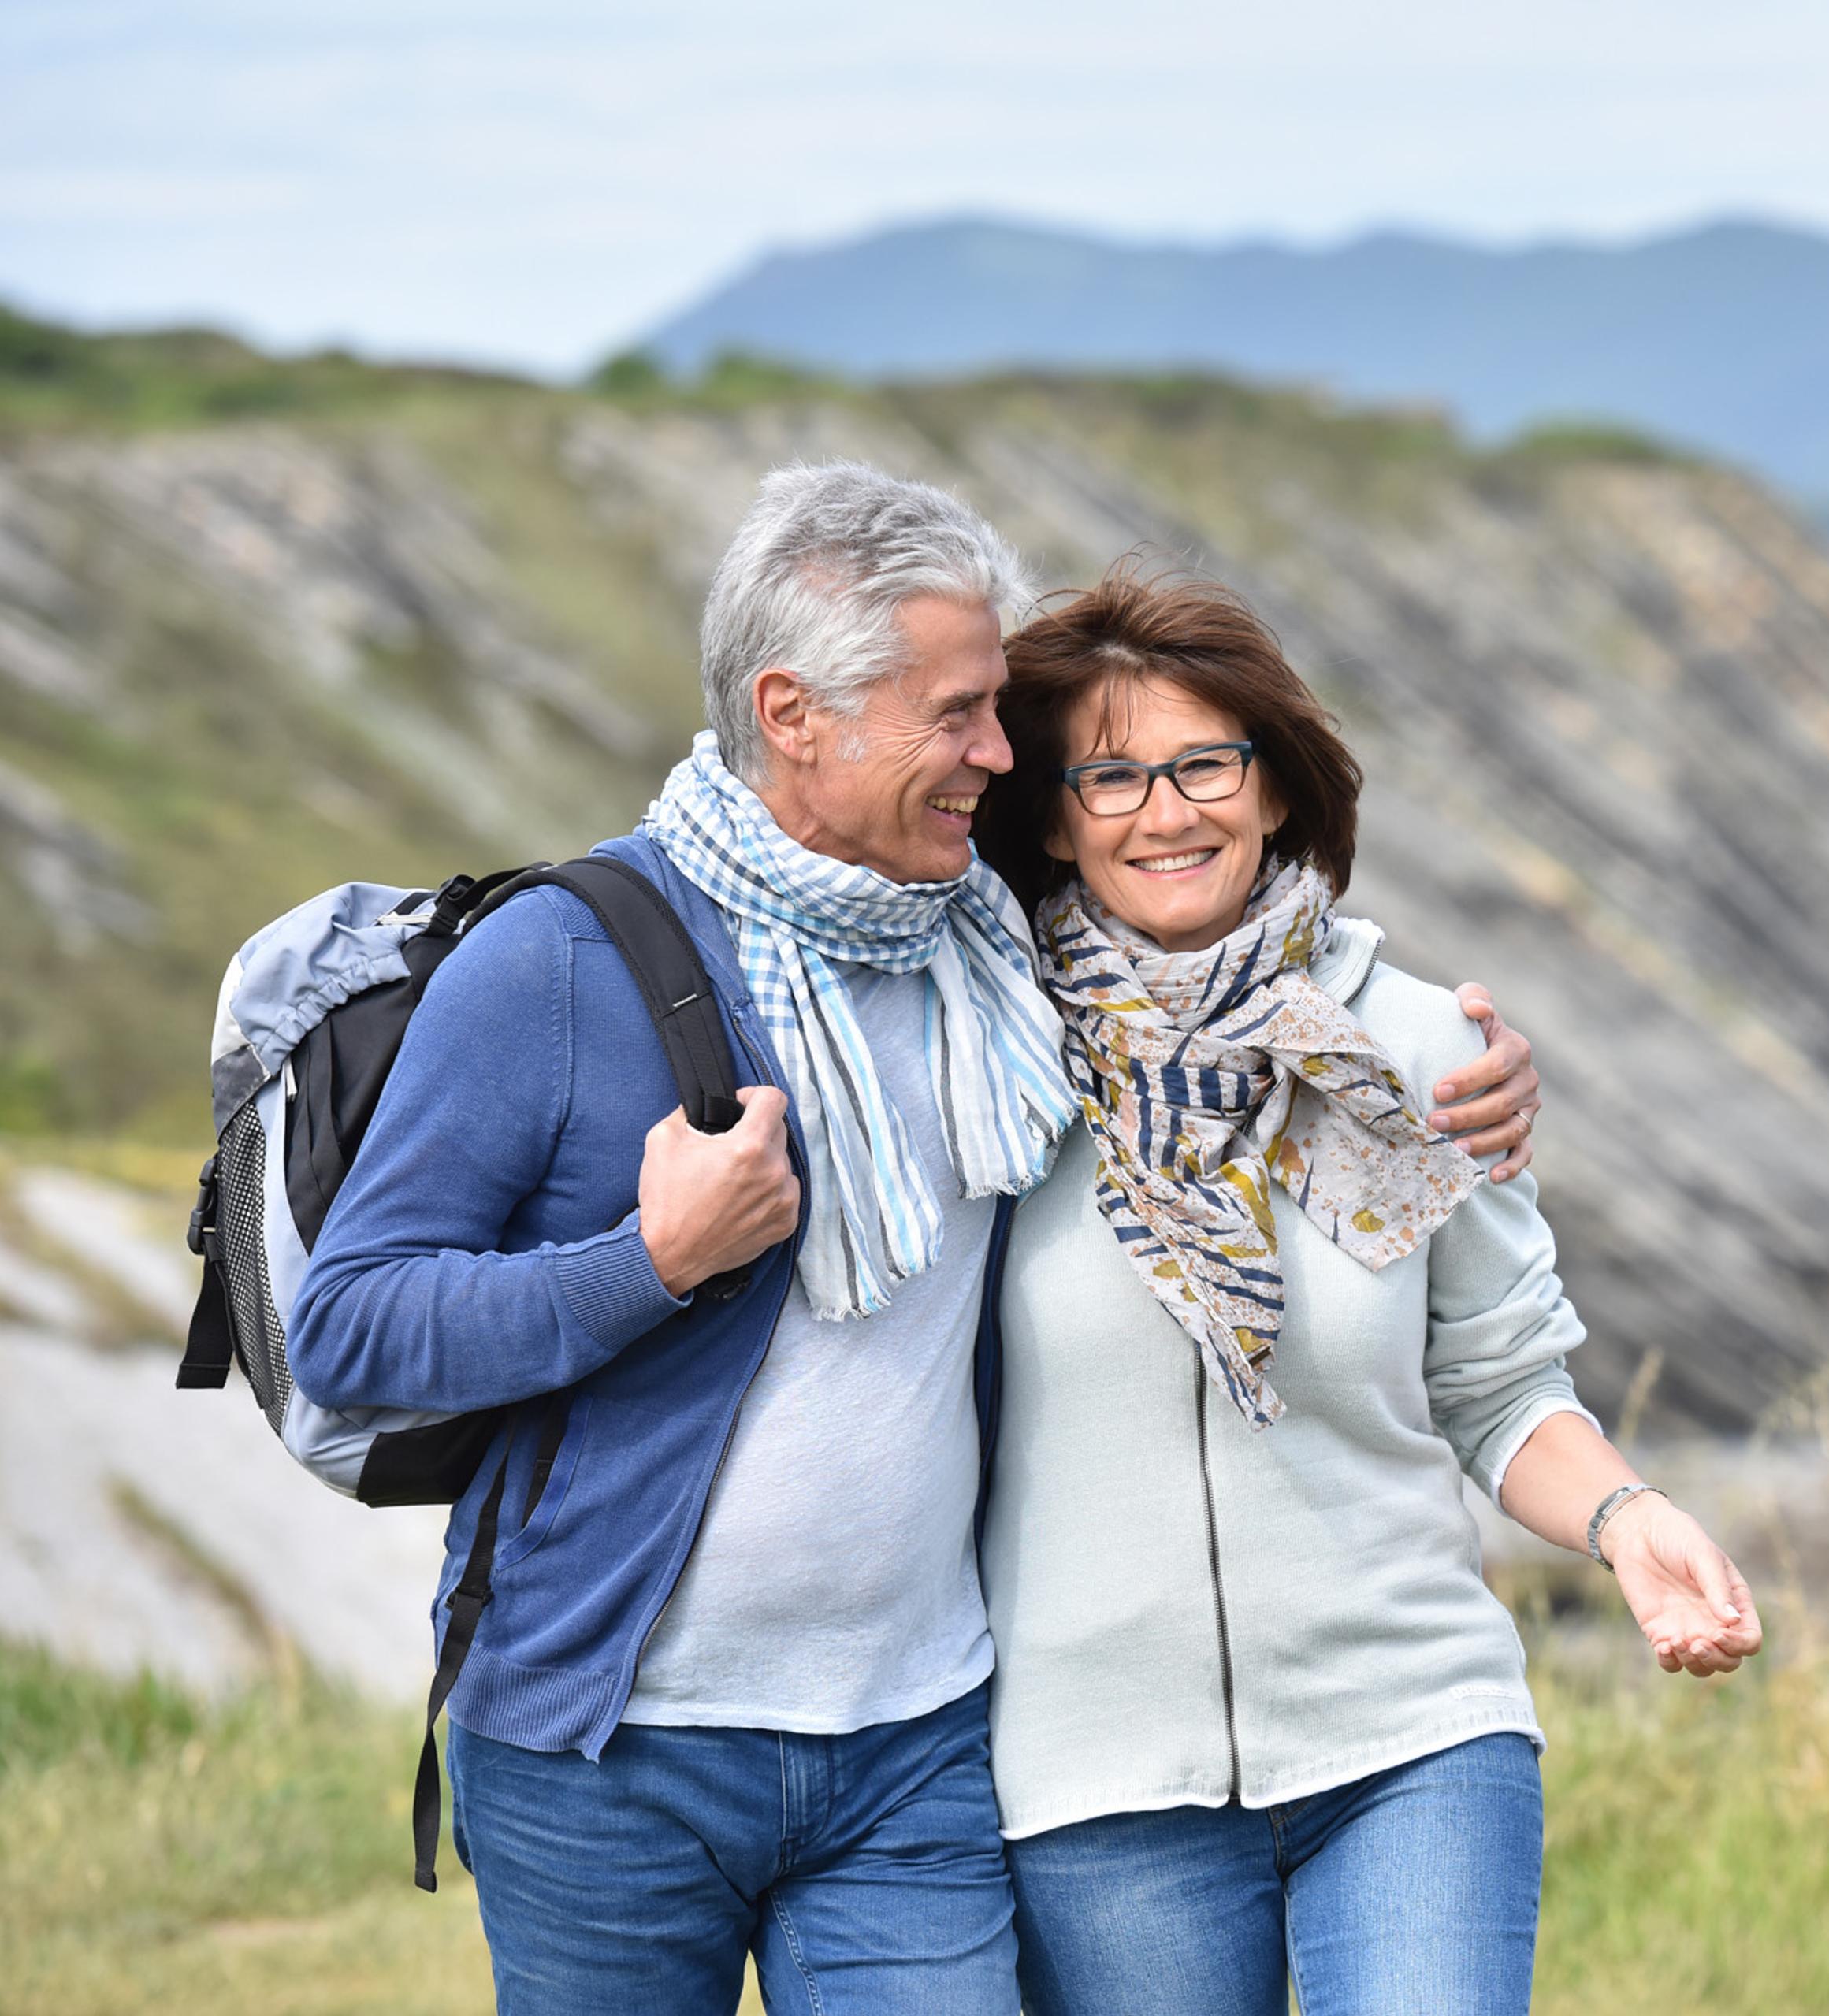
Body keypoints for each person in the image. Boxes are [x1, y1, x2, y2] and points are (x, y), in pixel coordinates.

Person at [288, 463, 1542, 2014]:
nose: (997, 755)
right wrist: (650, 1261)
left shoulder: (1000, 951)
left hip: (917, 1752)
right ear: (795, 711)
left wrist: (1454, 1078)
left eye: (999, 712)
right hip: (608, 1749)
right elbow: (350, 1327)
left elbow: (1220, 979)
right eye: (957, 714)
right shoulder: (556, 962)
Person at [971, 564, 1764, 2016]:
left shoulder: (1409, 1045)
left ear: (1276, 786)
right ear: (1050, 816)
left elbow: (1502, 1383)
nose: (1168, 810)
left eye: (1208, 761)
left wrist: (1628, 1519)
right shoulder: (987, 1065)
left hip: (1413, 1739)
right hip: (1097, 1784)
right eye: (1113, 777)